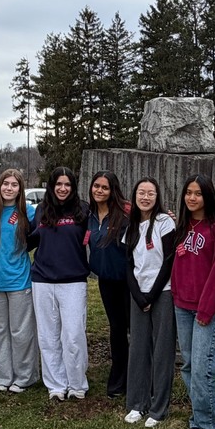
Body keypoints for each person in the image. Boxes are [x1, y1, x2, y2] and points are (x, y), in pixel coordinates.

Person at [172, 174, 215, 429]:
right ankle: (199, 418)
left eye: (198, 193)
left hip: (206, 309)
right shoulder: (183, 226)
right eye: (188, 192)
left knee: (203, 367)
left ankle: (211, 425)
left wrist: (207, 310)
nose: (192, 198)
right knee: (188, 365)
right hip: (182, 306)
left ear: (207, 196)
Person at [0, 168, 40, 393]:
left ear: (20, 189)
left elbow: (37, 237)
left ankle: (25, 376)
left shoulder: (29, 213)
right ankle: (2, 377)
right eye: (6, 184)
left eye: (14, 185)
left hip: (19, 280)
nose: (9, 188)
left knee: (21, 331)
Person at [31, 166, 91, 401]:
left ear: (73, 187)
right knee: (48, 335)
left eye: (67, 184)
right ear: (52, 186)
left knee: (74, 334)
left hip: (73, 280)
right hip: (43, 279)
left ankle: (77, 384)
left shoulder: (83, 210)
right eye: (59, 184)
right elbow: (30, 237)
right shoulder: (41, 210)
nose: (63, 188)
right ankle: (56, 384)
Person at [122, 177, 176, 428]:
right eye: (141, 192)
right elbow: (129, 264)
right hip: (138, 294)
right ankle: (137, 403)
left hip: (162, 292)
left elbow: (168, 261)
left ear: (157, 197)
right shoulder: (131, 225)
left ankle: (158, 407)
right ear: (134, 196)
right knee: (138, 348)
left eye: (150, 193)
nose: (145, 197)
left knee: (162, 349)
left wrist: (152, 295)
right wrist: (138, 295)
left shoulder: (165, 222)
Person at [87, 170, 131, 399]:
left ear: (112, 190)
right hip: (106, 281)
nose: (99, 191)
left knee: (133, 329)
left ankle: (138, 377)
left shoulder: (125, 214)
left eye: (104, 187)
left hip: (128, 281)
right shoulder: (90, 214)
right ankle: (118, 377)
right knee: (116, 329)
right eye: (96, 186)